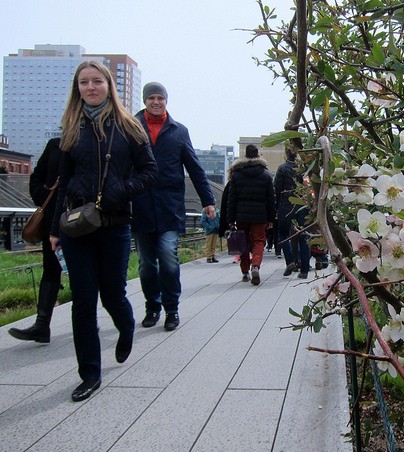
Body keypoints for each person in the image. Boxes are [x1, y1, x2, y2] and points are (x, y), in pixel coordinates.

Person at [49, 60, 158, 402]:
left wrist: (121, 191)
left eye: (97, 81)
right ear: (77, 88)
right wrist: (54, 228)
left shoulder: (129, 128)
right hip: (77, 226)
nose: (91, 87)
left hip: (114, 225)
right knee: (82, 300)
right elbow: (63, 183)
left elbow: (150, 171)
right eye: (84, 83)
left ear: (109, 86)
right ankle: (90, 374)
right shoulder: (70, 128)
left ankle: (126, 327)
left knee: (112, 294)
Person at [132, 82, 216, 331]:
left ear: (166, 101)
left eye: (160, 98)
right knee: (146, 263)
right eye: (151, 98)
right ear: (145, 101)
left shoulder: (179, 131)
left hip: (169, 206)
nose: (156, 102)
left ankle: (172, 309)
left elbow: (195, 168)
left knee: (168, 257)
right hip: (140, 205)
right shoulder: (132, 127)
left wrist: (208, 200)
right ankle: (152, 307)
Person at [8, 137, 63, 343]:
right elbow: (36, 177)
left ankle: (87, 320)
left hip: (81, 219)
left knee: (83, 271)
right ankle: (42, 325)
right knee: (50, 269)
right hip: (52, 219)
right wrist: (42, 197)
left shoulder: (93, 142)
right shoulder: (55, 144)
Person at [227, 144, 275, 285]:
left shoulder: (236, 174)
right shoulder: (266, 175)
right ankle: (255, 265)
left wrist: (230, 220)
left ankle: (245, 272)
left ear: (245, 155)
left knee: (244, 243)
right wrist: (271, 218)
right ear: (257, 155)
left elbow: (232, 199)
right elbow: (271, 199)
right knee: (259, 241)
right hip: (260, 215)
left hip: (241, 215)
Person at [274, 149, 311, 279]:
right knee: (304, 234)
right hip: (302, 202)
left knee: (283, 233)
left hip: (286, 202)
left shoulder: (282, 168)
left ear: (286, 153)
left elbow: (277, 188)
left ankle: (290, 261)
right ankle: (304, 270)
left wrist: (277, 208)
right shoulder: (304, 169)